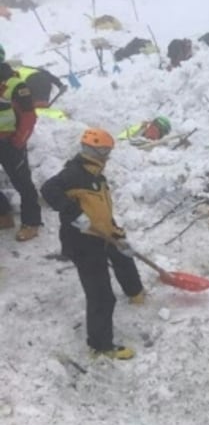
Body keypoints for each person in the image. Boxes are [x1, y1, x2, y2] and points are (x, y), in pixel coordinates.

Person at [41, 128, 145, 360]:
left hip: (102, 233)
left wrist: (116, 233)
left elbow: (101, 211)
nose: (108, 156)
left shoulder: (97, 175)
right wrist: (73, 213)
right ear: (96, 151)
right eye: (106, 151)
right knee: (101, 295)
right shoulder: (73, 174)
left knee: (123, 256)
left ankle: (135, 292)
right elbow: (48, 190)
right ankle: (100, 345)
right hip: (83, 242)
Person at [0, 45, 40, 241]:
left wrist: (18, 142)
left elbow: (29, 117)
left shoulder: (16, 85)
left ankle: (31, 223)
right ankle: (3, 215)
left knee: (22, 183)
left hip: (10, 143)